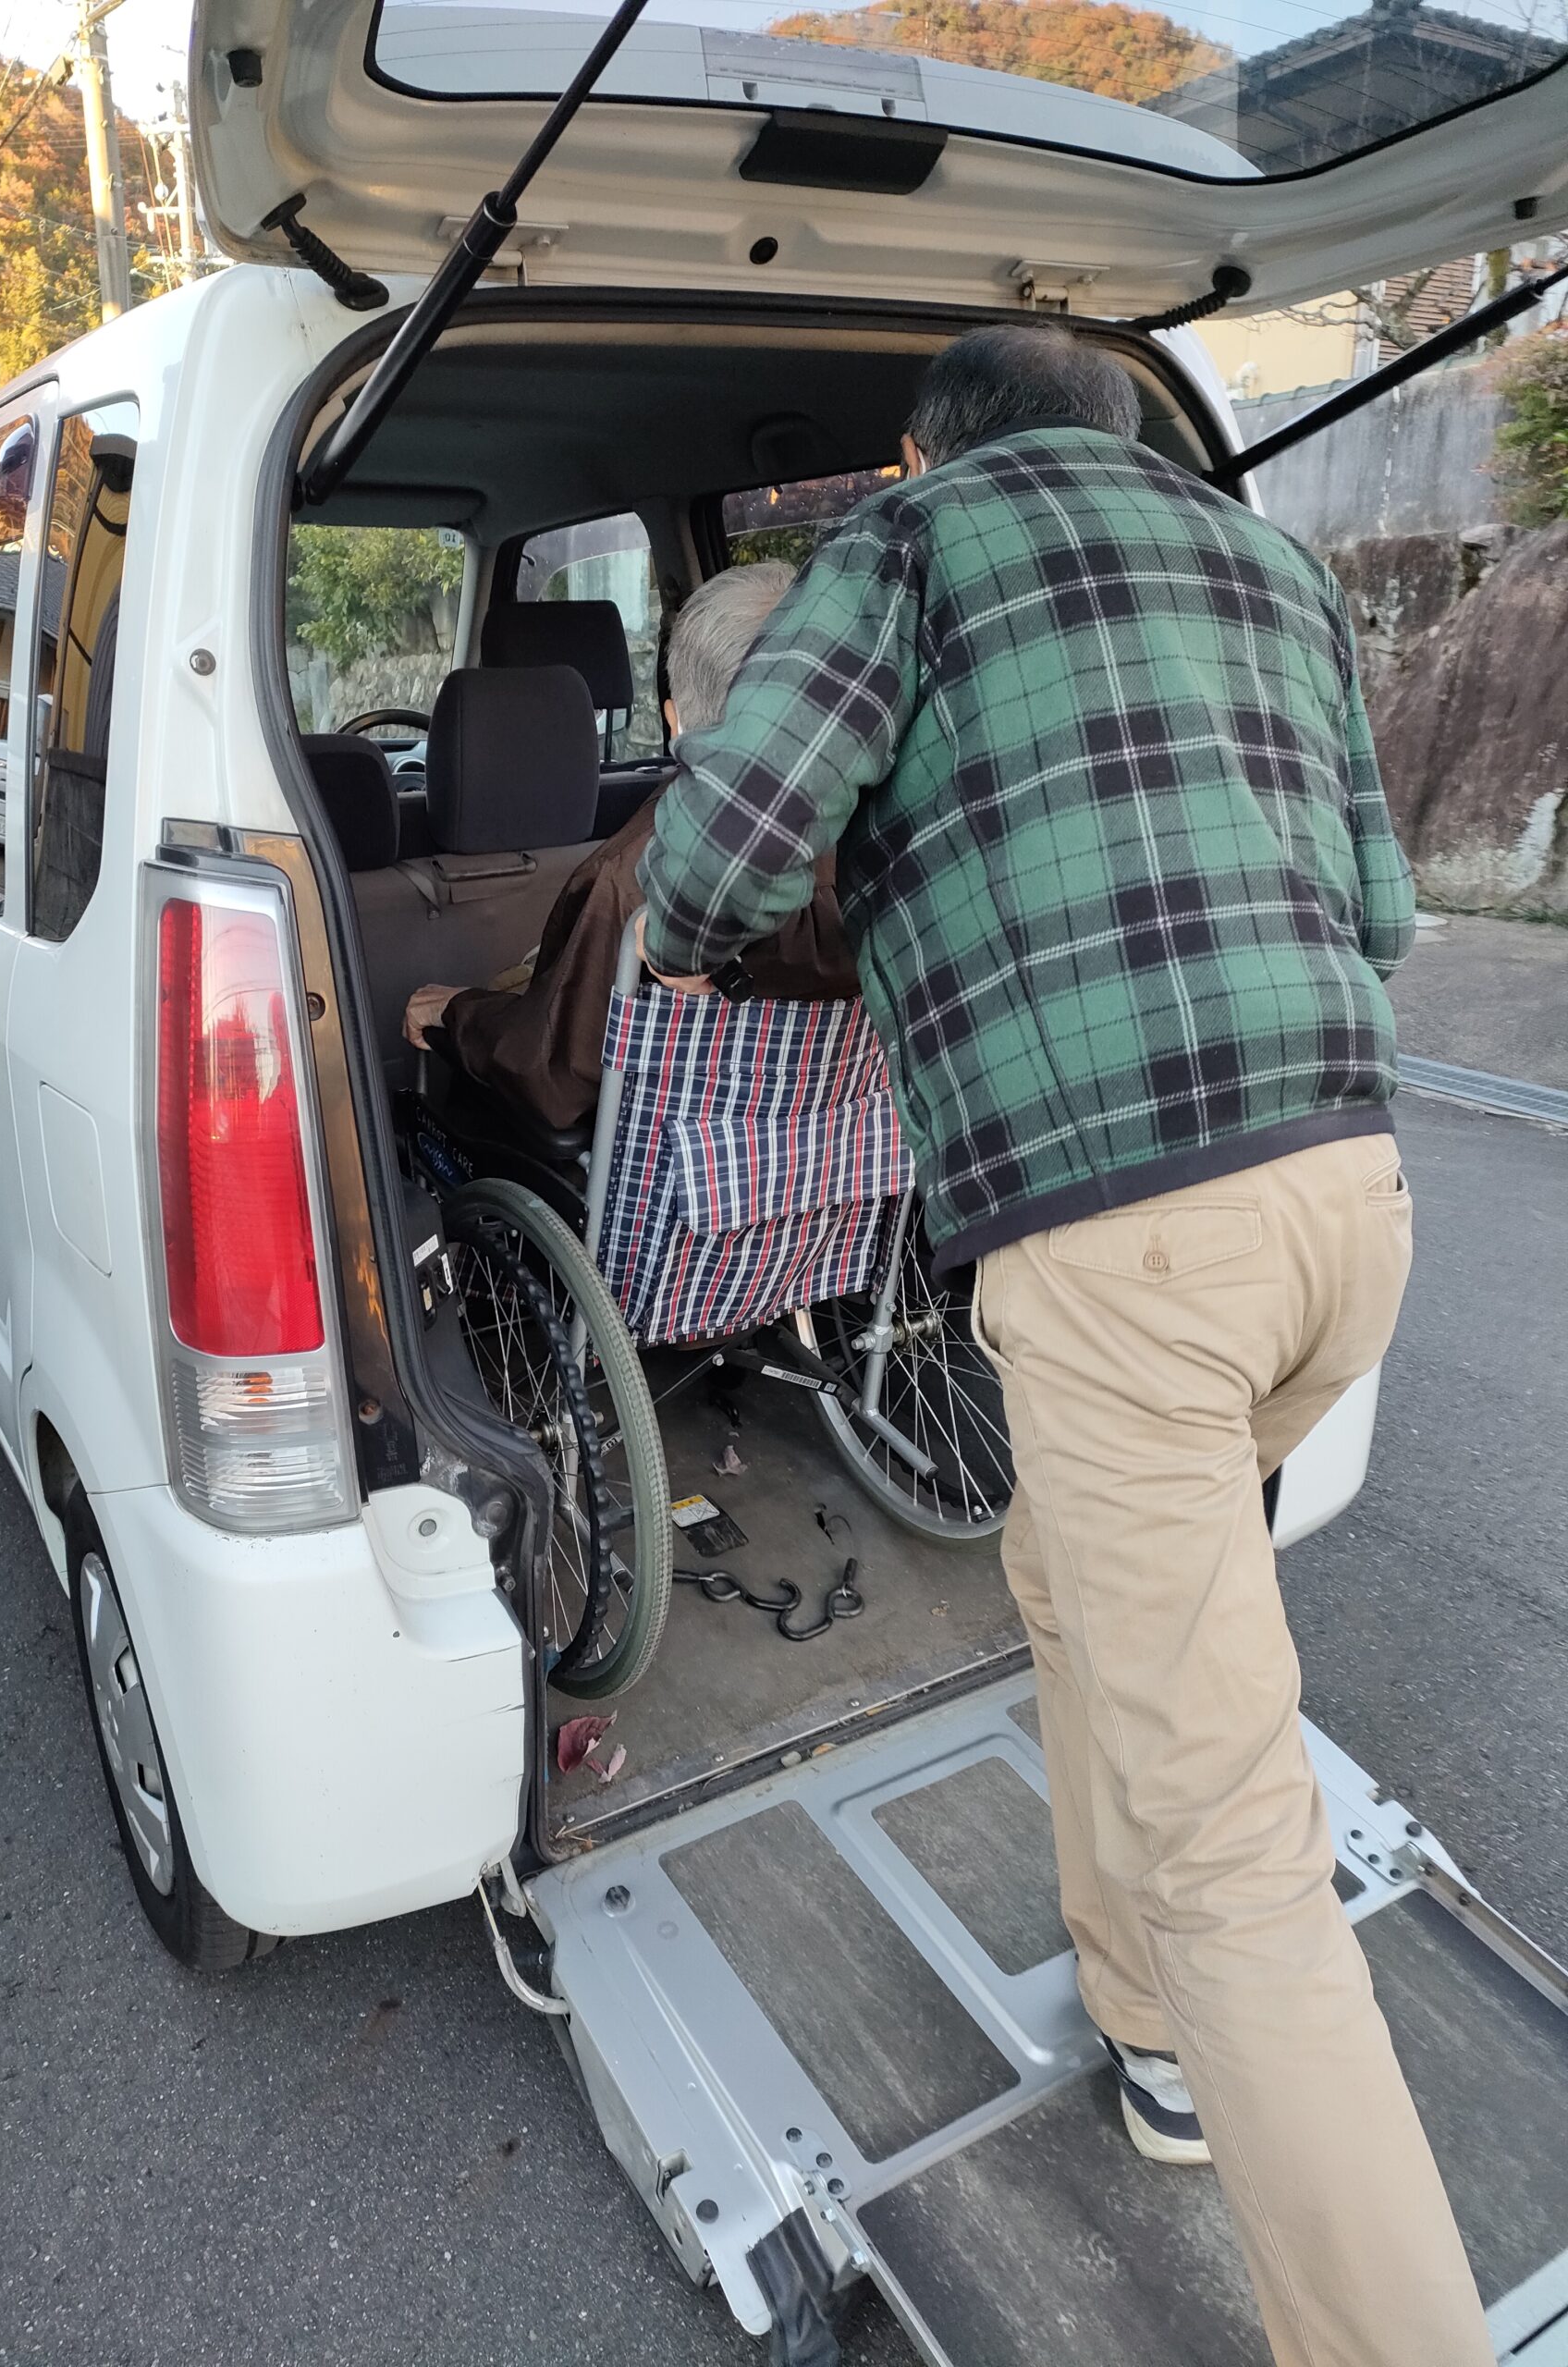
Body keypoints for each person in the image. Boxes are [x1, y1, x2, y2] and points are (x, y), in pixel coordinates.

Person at [636, 323, 1489, 2367]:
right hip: (1344, 1211)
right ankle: (1147, 2026)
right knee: (1073, 1586)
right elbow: (1379, 910)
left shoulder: (908, 546)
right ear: (1125, 435)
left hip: (1126, 1257)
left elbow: (711, 872)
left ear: (925, 446)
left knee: (1241, 1853)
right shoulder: (1269, 565)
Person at [402, 564, 859, 1129]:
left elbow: (552, 1078)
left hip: (665, 1199)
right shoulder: (903, 855)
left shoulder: (645, 877)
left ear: (674, 722)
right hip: (849, 1189)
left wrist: (456, 1010)